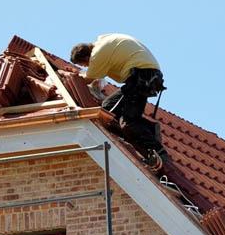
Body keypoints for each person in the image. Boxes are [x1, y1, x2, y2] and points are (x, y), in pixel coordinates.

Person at [70, 34, 168, 167]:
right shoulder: (102, 43)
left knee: (128, 122)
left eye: (84, 64)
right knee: (108, 108)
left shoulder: (98, 54)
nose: (87, 66)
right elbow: (93, 74)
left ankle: (159, 152)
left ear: (87, 58)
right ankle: (146, 130)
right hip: (144, 74)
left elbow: (89, 78)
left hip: (142, 76)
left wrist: (71, 76)